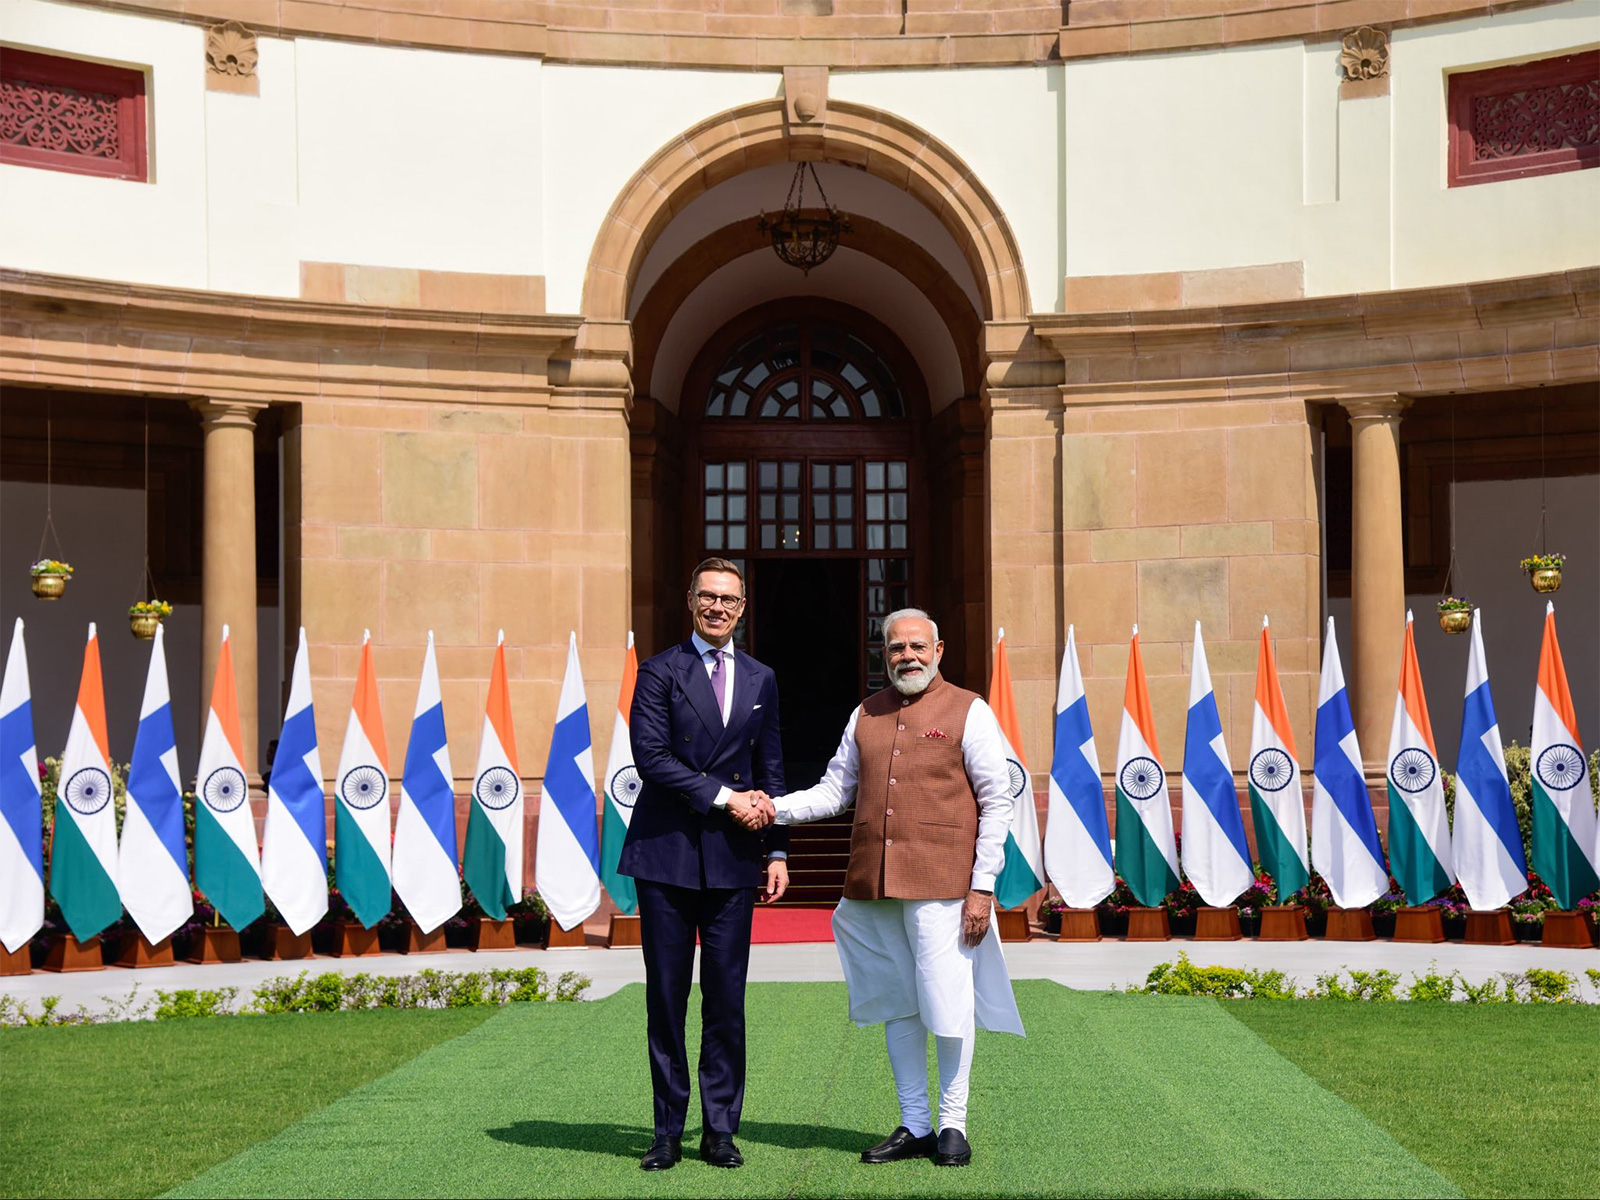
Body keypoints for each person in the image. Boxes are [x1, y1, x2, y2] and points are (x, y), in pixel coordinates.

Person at [734, 608, 1023, 1167]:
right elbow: (834, 791)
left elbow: (997, 801)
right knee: (897, 1004)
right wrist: (771, 809)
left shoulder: (970, 709)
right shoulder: (865, 712)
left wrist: (983, 887)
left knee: (947, 1003)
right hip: (873, 884)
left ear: (938, 651)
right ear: (883, 654)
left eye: (917, 646)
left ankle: (953, 1125)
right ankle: (915, 1124)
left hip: (944, 885)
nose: (907, 656)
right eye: (895, 648)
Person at [618, 558, 789, 1171]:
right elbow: (651, 758)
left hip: (734, 857)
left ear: (743, 608)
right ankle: (667, 1131)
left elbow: (770, 768)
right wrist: (724, 797)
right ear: (690, 600)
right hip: (667, 854)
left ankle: (719, 1129)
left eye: (729, 599)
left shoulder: (762, 678)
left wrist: (777, 849)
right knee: (666, 999)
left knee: (726, 1000)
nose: (718, 607)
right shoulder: (658, 671)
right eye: (708, 596)